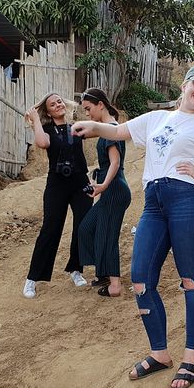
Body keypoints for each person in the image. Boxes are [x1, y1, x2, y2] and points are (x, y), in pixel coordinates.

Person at [72, 65, 194, 388]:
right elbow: (119, 131)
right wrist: (94, 125)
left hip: (189, 200)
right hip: (154, 203)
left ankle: (192, 357)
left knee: (191, 279)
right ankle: (159, 353)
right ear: (184, 85)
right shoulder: (156, 118)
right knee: (141, 278)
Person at [23, 93, 93, 298]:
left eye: (59, 101)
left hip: (80, 181)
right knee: (50, 229)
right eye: (53, 104)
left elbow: (100, 129)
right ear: (48, 111)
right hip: (57, 183)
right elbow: (42, 144)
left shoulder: (77, 126)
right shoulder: (46, 130)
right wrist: (35, 119)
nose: (58, 105)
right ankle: (32, 279)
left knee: (83, 225)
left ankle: (76, 269)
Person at [77, 88, 132, 297]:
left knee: (108, 236)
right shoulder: (106, 128)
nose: (88, 114)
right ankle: (104, 273)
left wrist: (103, 185)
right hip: (110, 189)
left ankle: (115, 285)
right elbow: (86, 131)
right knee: (87, 228)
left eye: (89, 109)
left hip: (115, 189)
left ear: (101, 104)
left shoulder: (111, 130)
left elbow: (115, 162)